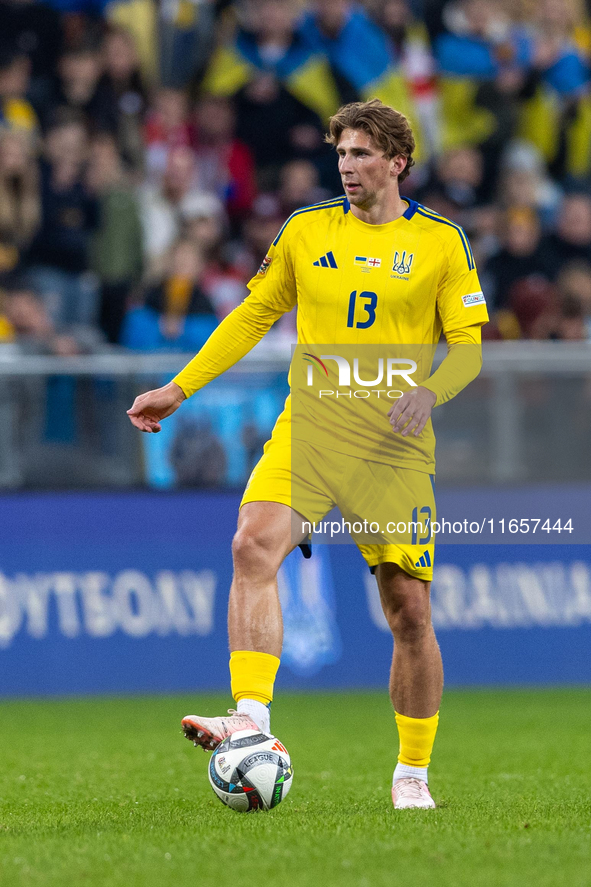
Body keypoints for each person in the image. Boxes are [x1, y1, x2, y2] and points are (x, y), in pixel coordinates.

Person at [127, 99, 489, 811]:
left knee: (407, 610)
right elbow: (253, 315)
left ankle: (411, 771)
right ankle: (250, 720)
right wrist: (179, 387)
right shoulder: (305, 230)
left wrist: (430, 391)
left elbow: (469, 349)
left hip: (391, 447)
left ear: (397, 161)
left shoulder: (442, 242)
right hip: (312, 430)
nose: (347, 168)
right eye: (340, 155)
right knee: (251, 544)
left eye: (360, 154)